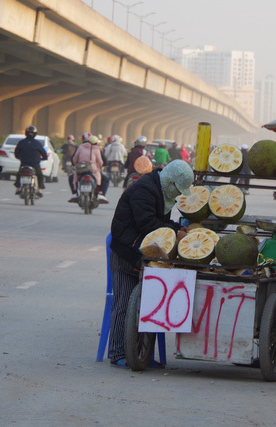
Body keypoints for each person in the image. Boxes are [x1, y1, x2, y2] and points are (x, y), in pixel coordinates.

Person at [108, 160, 194, 367]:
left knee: (152, 303)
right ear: (170, 182)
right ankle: (118, 353)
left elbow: (161, 223)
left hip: (145, 253)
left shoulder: (161, 191)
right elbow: (148, 224)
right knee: (124, 303)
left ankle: (142, 354)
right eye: (178, 189)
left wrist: (178, 229)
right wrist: (176, 232)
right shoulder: (145, 189)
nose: (178, 194)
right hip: (126, 252)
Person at [71, 132, 108, 204]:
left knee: (71, 178)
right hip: (93, 170)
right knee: (102, 179)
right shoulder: (97, 149)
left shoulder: (80, 147)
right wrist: (100, 166)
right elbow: (101, 161)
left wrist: (76, 165)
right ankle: (98, 194)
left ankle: (75, 193)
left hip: (81, 170)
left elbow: (74, 159)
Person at [14, 125, 47, 197]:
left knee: (19, 174)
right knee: (40, 175)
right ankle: (40, 190)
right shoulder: (37, 143)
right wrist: (43, 158)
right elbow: (44, 153)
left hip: (24, 164)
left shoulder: (21, 142)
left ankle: (18, 188)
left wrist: (20, 157)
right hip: (35, 164)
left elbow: (16, 153)